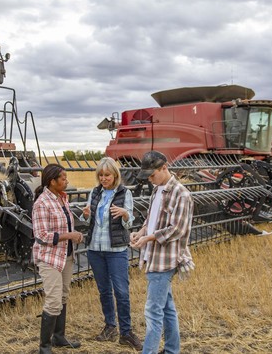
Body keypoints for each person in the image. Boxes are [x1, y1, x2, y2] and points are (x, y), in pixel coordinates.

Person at [130, 151, 194, 354]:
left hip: (165, 259)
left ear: (164, 167)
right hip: (153, 256)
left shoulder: (181, 193)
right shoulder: (158, 190)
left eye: (152, 174)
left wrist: (149, 238)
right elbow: (151, 220)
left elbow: (178, 228)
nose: (150, 179)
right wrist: (140, 232)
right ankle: (171, 350)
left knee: (152, 311)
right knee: (167, 309)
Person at [81, 157, 143, 351]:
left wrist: (125, 214)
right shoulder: (94, 192)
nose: (103, 178)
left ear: (115, 175)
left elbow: (129, 223)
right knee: (104, 290)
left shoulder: (125, 194)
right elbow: (89, 221)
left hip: (116, 250)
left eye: (107, 175)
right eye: (100, 175)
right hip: (95, 249)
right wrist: (85, 216)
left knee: (122, 292)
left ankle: (126, 332)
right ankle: (110, 326)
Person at [32, 164, 84, 354]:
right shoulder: (42, 203)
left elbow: (65, 225)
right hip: (49, 258)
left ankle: (59, 337)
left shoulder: (63, 198)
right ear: (52, 181)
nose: (66, 181)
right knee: (53, 300)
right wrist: (69, 235)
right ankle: (44, 347)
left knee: (63, 296)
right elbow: (42, 235)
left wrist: (75, 234)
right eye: (63, 178)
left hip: (66, 256)